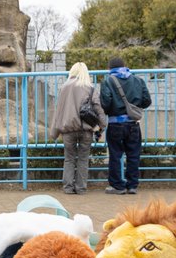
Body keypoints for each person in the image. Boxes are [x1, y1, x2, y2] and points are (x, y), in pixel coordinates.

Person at [50, 62, 105, 195]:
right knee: (83, 159)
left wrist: (54, 132)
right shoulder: (90, 87)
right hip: (86, 129)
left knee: (69, 159)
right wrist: (102, 126)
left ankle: (68, 187)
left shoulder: (64, 87)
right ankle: (81, 188)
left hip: (68, 130)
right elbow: (98, 107)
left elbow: (59, 110)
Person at [100, 56, 151, 195]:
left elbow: (105, 103)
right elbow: (147, 101)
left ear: (109, 68)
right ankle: (132, 185)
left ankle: (118, 186)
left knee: (115, 155)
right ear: (124, 66)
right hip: (133, 124)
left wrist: (112, 110)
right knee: (133, 155)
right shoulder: (138, 80)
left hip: (115, 123)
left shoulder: (108, 81)